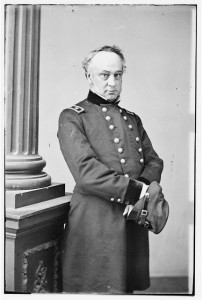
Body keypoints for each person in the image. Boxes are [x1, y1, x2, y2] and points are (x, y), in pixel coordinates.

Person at [57, 45, 163, 294]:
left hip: (132, 219)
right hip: (96, 222)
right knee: (95, 289)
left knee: (125, 290)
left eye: (118, 75)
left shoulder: (132, 118)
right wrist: (136, 192)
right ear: (88, 76)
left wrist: (143, 191)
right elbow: (86, 173)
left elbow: (154, 161)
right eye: (104, 75)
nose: (112, 82)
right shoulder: (73, 117)